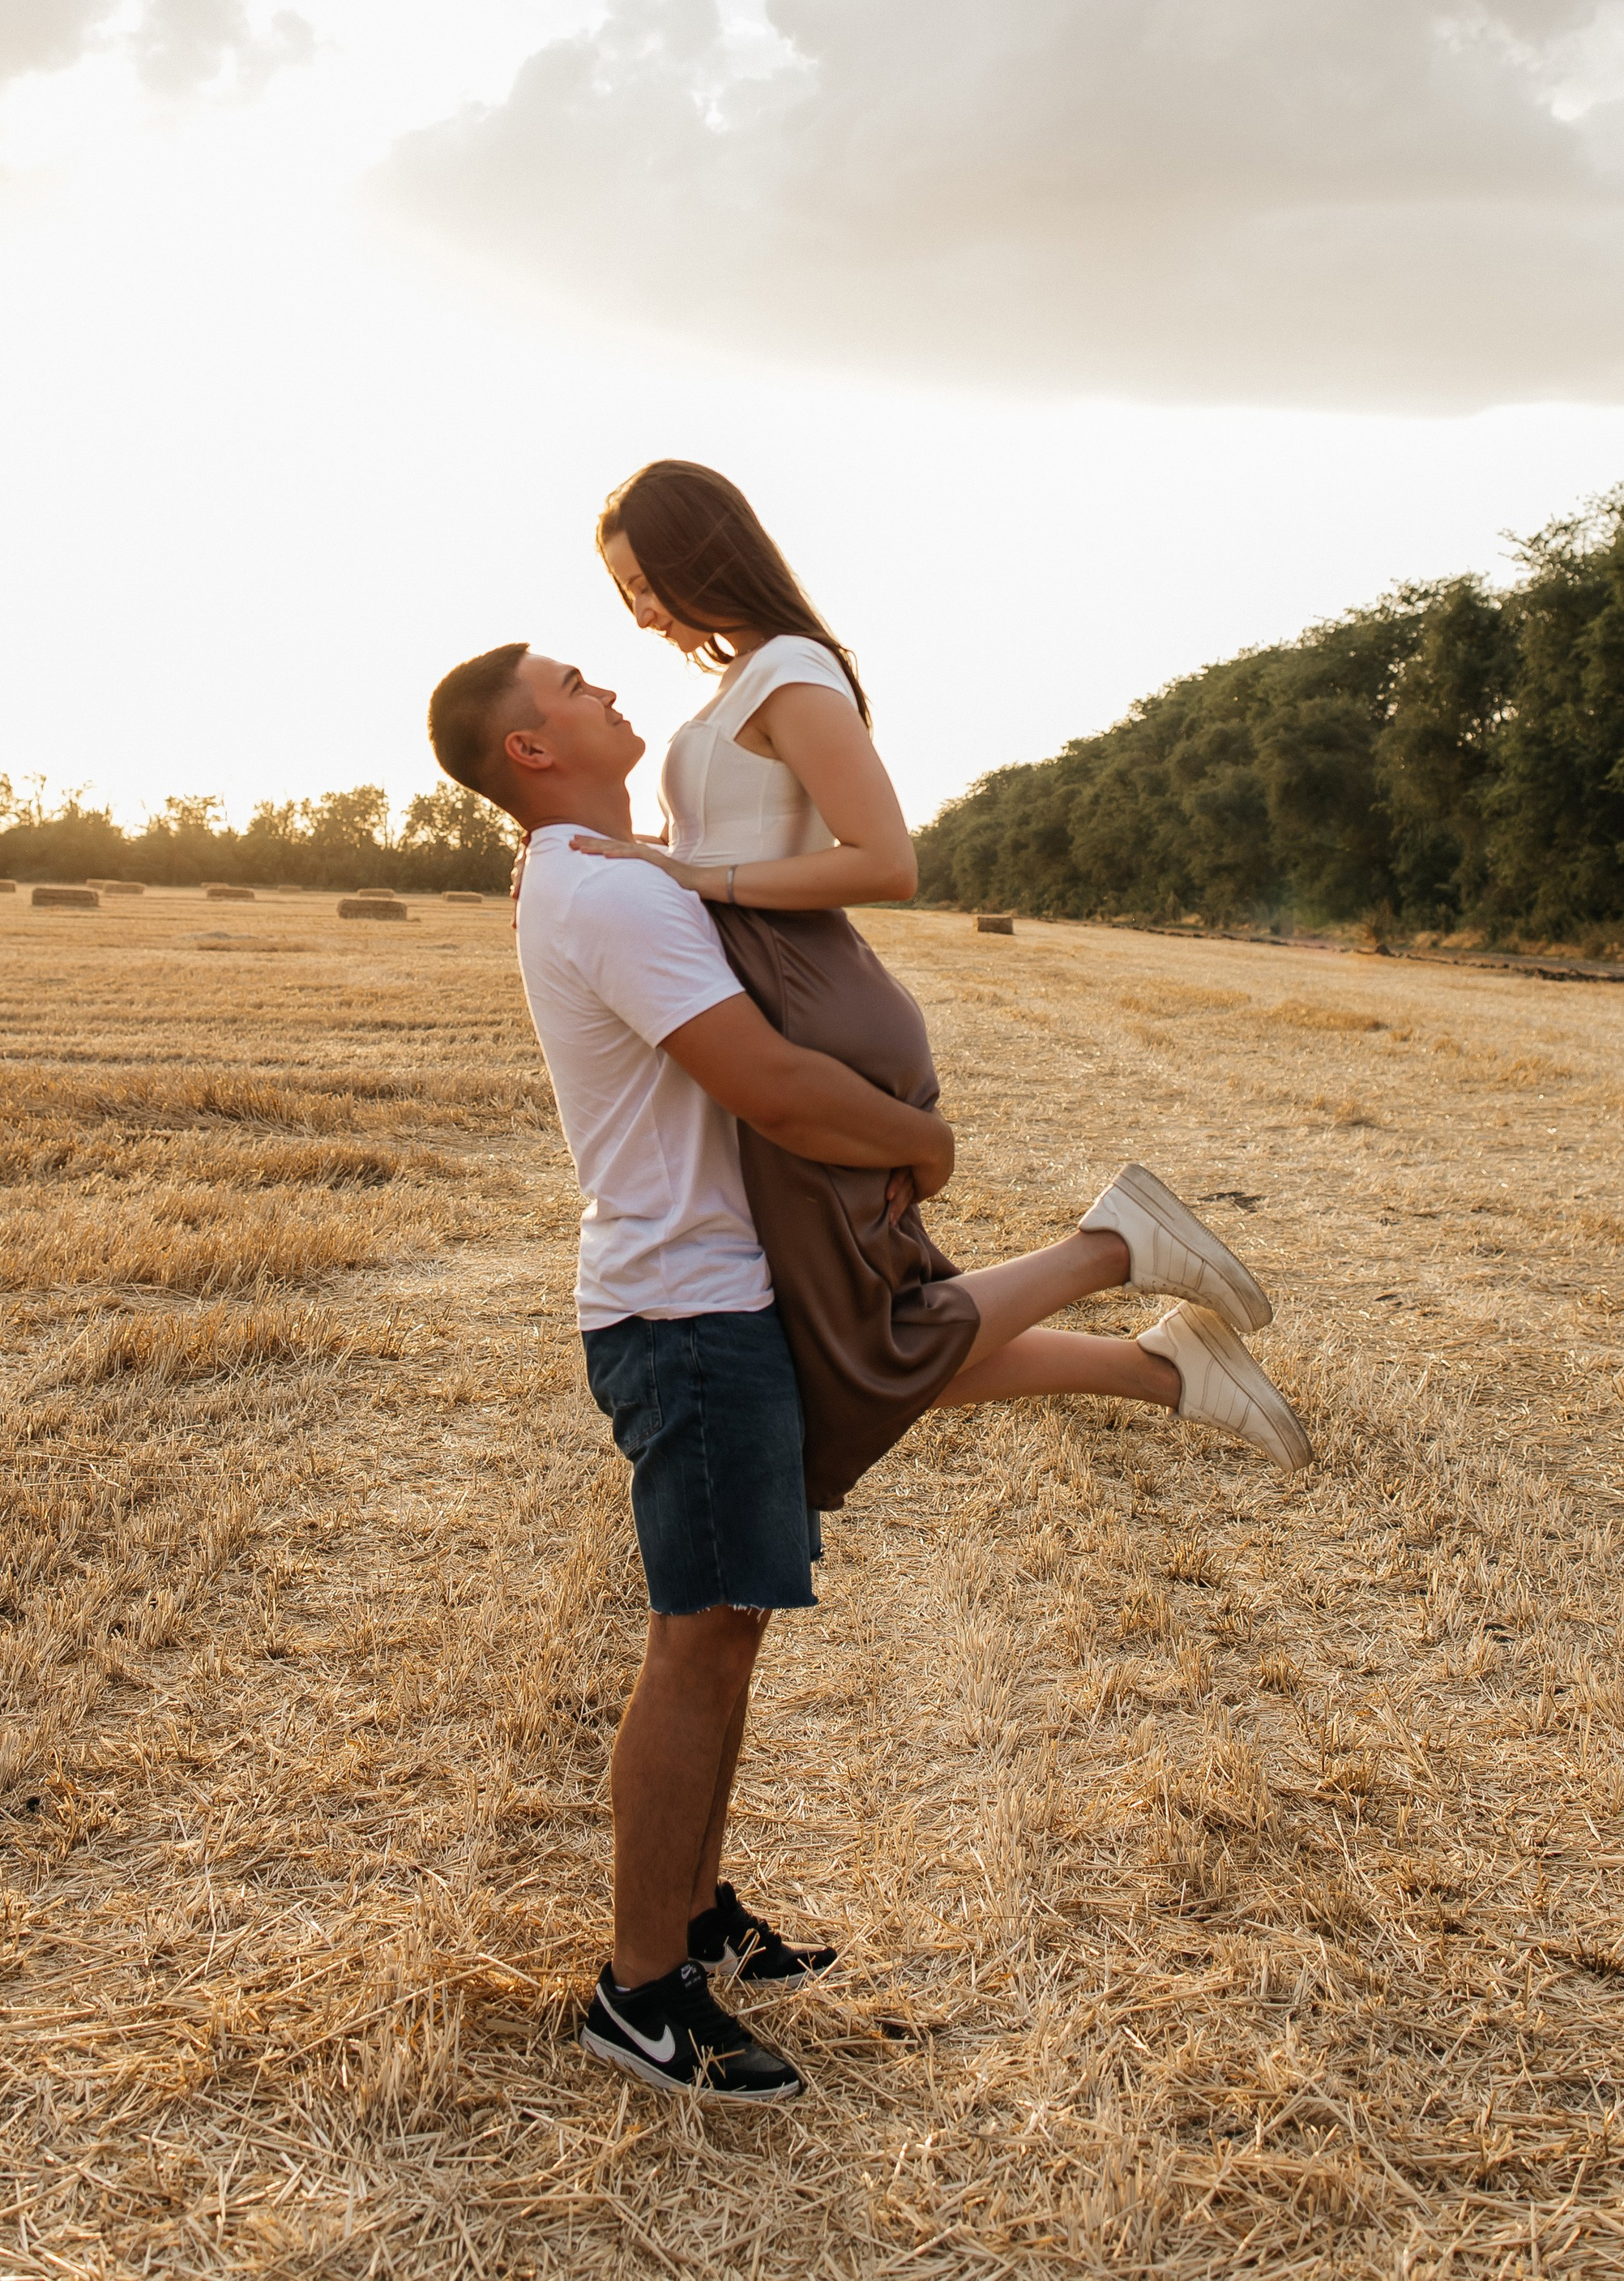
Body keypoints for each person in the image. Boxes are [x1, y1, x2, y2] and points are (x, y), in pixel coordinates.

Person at [425, 632, 1302, 2111]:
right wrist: (922, 1144)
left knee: (737, 1626)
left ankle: (695, 1918)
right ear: (529, 748)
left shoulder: (612, 870)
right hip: (684, 1319)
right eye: (576, 685)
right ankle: (639, 1996)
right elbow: (763, 1083)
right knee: (698, 1640)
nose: (608, 690)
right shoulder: (599, 892)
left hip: (721, 1294)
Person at [579, 457, 1308, 1509]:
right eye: (625, 593)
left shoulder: (790, 671)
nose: (640, 611)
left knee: (847, 1345)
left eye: (646, 582)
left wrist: (694, 876)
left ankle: (1118, 1247)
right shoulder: (740, 679)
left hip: (806, 999)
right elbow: (723, 837)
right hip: (771, 989)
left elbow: (886, 861)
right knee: (849, 1334)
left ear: (704, 550)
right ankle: (1166, 1368)